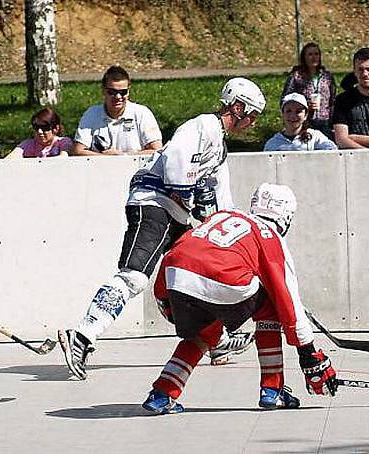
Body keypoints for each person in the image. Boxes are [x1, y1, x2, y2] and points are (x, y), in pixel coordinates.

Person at [58, 77, 267, 380]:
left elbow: (222, 203)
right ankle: (82, 335)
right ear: (237, 107)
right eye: (251, 115)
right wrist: (194, 198)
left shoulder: (219, 147)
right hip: (151, 204)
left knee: (197, 277)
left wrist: (233, 237)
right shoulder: (203, 126)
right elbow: (175, 168)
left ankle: (217, 342)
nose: (252, 122)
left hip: (176, 215)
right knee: (134, 277)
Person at [141, 183, 338, 414]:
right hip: (222, 281)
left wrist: (165, 300)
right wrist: (308, 352)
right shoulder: (269, 235)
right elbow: (287, 299)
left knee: (203, 333)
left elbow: (182, 251)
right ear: (286, 214)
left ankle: (162, 393)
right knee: (270, 308)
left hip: (175, 281)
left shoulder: (224, 215)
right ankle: (272, 389)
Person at [71, 65, 162, 156]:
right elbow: (77, 151)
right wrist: (106, 158)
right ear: (103, 90)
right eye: (112, 92)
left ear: (128, 91)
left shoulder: (142, 113)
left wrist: (123, 156)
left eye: (123, 92)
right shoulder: (91, 114)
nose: (118, 97)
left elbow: (157, 150)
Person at [281, 42, 337, 139]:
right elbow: (285, 100)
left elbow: (333, 99)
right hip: (304, 121)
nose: (314, 57)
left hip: (325, 121)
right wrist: (306, 105)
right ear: (304, 57)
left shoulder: (327, 76)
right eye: (310, 54)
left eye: (316, 54)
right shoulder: (297, 77)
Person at [264, 93, 337, 152]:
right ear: (282, 114)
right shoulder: (272, 144)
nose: (293, 116)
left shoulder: (316, 137)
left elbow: (332, 151)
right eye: (288, 111)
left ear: (305, 115)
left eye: (298, 111)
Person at [5, 107, 72, 158]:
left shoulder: (64, 142)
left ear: (55, 129)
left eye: (44, 128)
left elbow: (63, 158)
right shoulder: (29, 144)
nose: (40, 132)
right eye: (36, 127)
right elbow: (10, 159)